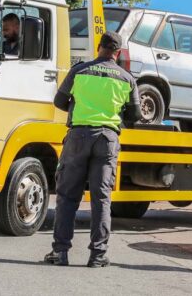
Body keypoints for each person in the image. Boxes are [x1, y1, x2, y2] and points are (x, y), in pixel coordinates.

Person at [44, 31, 141, 268]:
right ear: (117, 53)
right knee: (101, 198)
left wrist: (76, 107)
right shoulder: (127, 79)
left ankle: (61, 252)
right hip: (107, 139)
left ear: (99, 47)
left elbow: (59, 101)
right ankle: (98, 255)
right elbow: (135, 115)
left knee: (67, 197)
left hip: (78, 135)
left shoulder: (79, 70)